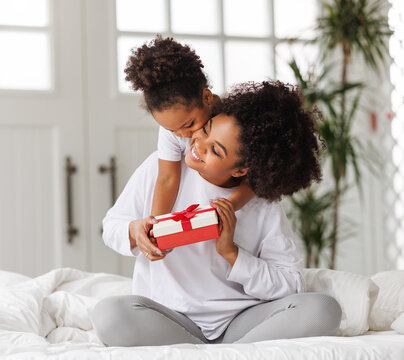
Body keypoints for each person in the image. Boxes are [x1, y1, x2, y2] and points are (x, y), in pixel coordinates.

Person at [91, 81, 342, 346]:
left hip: (240, 322)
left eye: (215, 150)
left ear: (240, 171)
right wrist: (134, 232)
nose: (198, 145)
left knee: (323, 308)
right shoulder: (159, 168)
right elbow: (112, 226)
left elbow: (291, 284)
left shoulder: (261, 203)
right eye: (206, 130)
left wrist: (232, 254)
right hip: (171, 319)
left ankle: (211, 353)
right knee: (109, 314)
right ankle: (223, 354)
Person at [124, 35, 255, 223]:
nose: (183, 135)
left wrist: (231, 204)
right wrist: (156, 226)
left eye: (189, 125)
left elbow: (255, 177)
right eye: (172, 130)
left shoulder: (233, 121)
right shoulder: (173, 131)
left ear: (207, 98)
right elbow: (167, 178)